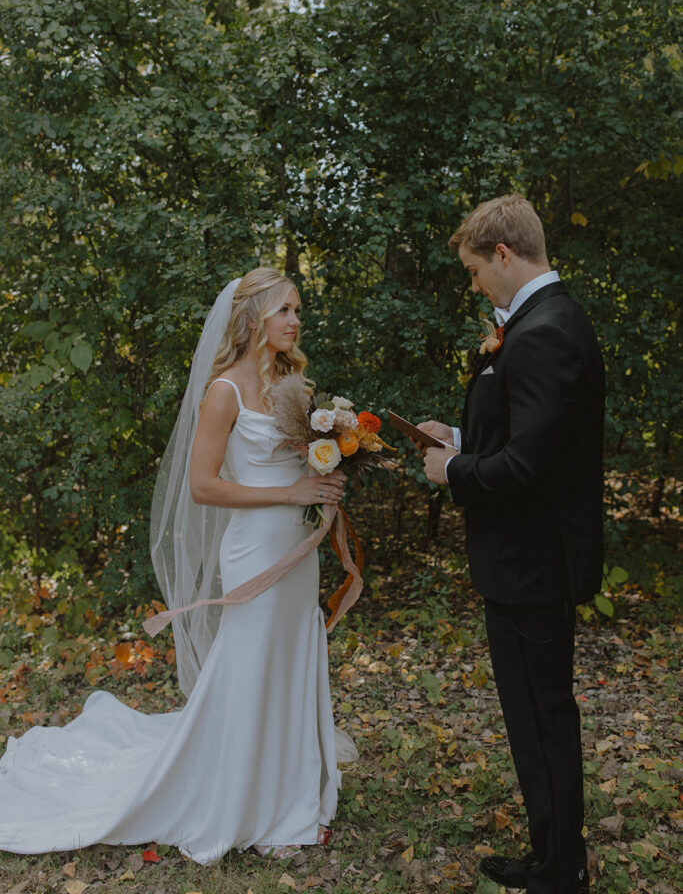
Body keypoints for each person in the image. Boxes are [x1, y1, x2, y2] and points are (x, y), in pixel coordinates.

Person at [0, 267, 355, 863]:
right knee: (249, 665)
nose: (296, 320)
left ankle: (293, 790)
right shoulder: (226, 391)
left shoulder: (295, 384)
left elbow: (298, 466)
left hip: (297, 551)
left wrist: (327, 473)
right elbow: (203, 487)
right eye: (285, 311)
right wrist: (289, 495)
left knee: (293, 655)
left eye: (298, 310)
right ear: (252, 320)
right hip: (254, 549)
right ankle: (248, 801)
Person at [420, 195, 604, 894]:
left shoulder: (546, 332)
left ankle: (561, 871)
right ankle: (551, 857)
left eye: (473, 270)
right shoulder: (536, 325)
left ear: (503, 255)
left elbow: (529, 470)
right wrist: (461, 441)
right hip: (523, 562)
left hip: (534, 565)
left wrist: (453, 472)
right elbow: (531, 441)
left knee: (541, 716)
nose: (472, 285)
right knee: (531, 717)